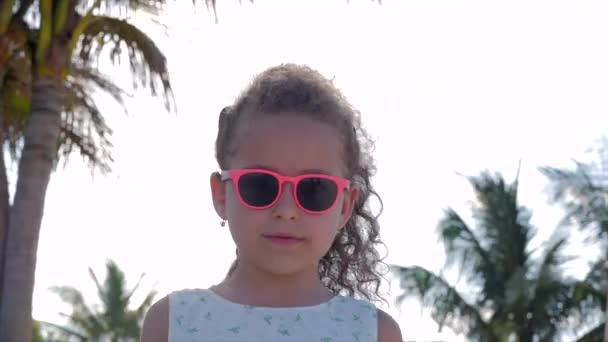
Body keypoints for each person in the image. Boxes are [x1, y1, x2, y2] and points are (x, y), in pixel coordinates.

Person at [141, 64, 402, 341]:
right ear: (221, 195)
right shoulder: (172, 323)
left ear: (345, 207)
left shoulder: (373, 332)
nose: (286, 211)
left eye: (314, 189)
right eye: (260, 185)